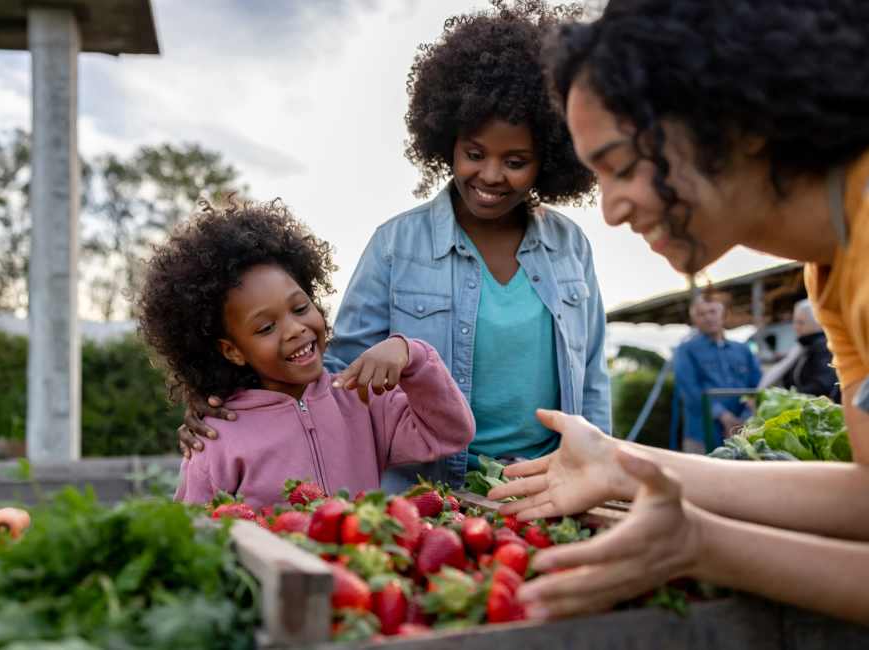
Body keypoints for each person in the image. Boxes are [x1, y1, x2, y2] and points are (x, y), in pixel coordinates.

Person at [488, 0, 869, 625]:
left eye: (625, 167)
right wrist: (623, 464)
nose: (609, 210)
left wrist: (702, 546)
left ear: (738, 118)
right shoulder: (829, 270)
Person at [178, 0, 610, 493]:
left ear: (549, 159)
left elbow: (592, 375)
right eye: (474, 154)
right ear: (446, 141)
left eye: (516, 160)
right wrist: (224, 400)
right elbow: (333, 374)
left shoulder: (569, 246)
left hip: (548, 482)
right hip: (431, 490)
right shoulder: (396, 245)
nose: (490, 175)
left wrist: (601, 467)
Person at [136, 199, 474, 507]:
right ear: (233, 351)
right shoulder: (216, 439)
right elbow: (196, 536)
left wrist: (410, 353)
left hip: (364, 570)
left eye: (300, 307)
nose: (295, 328)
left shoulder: (362, 398)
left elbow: (450, 434)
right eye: (266, 328)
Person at [673, 294, 762, 452]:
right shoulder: (685, 351)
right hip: (702, 436)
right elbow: (690, 391)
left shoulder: (743, 350)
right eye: (701, 314)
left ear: (723, 314)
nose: (708, 317)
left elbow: (757, 386)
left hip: (744, 434)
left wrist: (744, 418)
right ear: (694, 320)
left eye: (712, 311)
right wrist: (724, 417)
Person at [777, 299, 841, 402]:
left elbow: (822, 384)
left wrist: (791, 397)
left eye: (801, 323)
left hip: (815, 406)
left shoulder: (823, 346)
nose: (796, 327)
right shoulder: (803, 346)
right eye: (795, 322)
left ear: (816, 322)